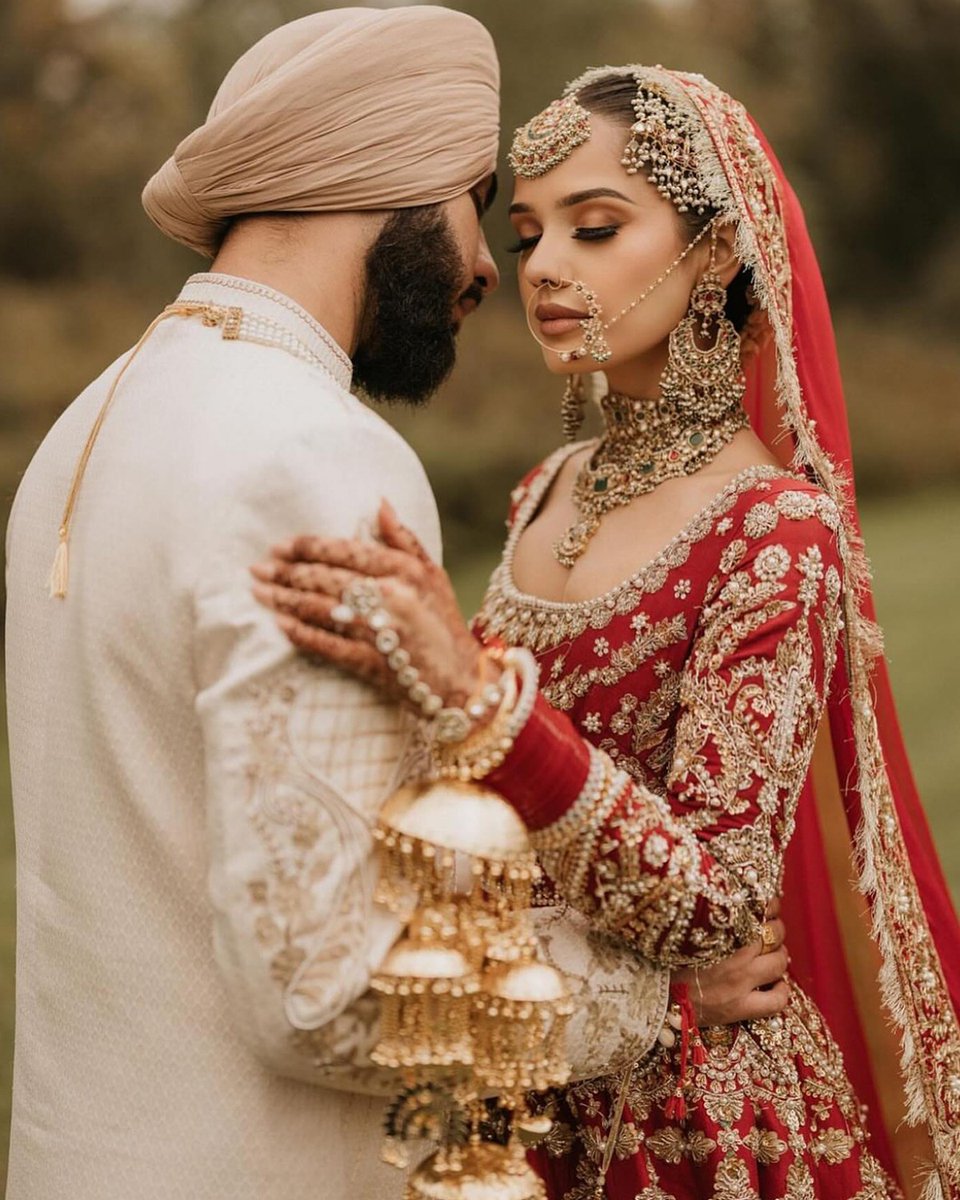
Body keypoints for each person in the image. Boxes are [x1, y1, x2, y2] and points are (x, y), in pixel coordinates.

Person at [3, 14, 784, 1199]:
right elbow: (332, 985)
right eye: (481, 209)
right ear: (391, 182)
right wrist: (655, 1000)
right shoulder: (311, 453)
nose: (490, 268)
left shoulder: (89, 427)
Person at [253, 65, 960, 1199]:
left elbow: (719, 907)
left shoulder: (774, 530)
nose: (542, 269)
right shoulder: (548, 487)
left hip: (691, 1115)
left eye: (594, 227)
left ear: (717, 253)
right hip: (530, 1059)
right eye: (527, 234)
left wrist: (484, 699)